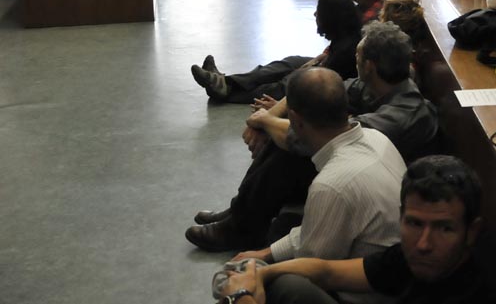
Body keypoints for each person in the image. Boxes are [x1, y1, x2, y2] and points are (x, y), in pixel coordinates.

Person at [187, 22, 438, 253]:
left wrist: (265, 121)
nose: (355, 59)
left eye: (358, 56)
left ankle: (240, 229)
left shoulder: (404, 115)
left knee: (290, 155)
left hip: (367, 191)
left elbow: (326, 137)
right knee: (285, 136)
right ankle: (239, 211)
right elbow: (327, 88)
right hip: (354, 167)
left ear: (369, 66)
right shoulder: (379, 86)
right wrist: (267, 117)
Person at [214, 156, 496, 304]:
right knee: (286, 283)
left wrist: (242, 297)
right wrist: (258, 273)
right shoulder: (415, 259)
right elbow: (326, 270)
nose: (423, 243)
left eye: (444, 228)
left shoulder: (472, 294)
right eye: (414, 223)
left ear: (471, 232)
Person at [221, 67, 406, 283]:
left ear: (294, 120)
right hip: (389, 269)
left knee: (278, 282)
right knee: (284, 225)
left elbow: (309, 267)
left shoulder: (331, 185)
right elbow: (320, 229)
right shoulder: (376, 137)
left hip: (366, 291)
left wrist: (257, 272)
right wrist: (265, 253)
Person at [190, 0, 362, 104]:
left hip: (329, 86)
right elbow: (330, 54)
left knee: (287, 82)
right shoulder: (347, 32)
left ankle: (226, 91)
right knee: (289, 63)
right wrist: (318, 59)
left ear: (331, 18)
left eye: (319, 12)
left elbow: (329, 77)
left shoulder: (345, 52)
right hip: (327, 64)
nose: (315, 15)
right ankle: (223, 82)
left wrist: (311, 68)